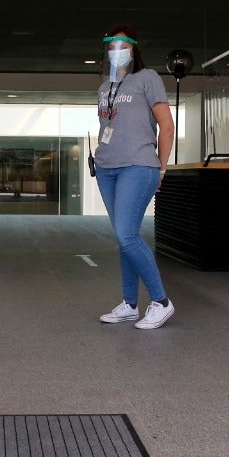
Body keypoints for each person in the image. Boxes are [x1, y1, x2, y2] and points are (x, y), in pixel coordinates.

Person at [93, 23, 176, 330]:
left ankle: (162, 302)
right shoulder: (105, 88)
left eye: (122, 46)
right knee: (123, 238)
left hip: (139, 165)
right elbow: (107, 129)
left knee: (127, 235)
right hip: (107, 168)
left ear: (133, 48)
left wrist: (162, 167)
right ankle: (129, 304)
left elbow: (166, 126)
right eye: (111, 47)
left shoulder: (148, 78)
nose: (117, 51)